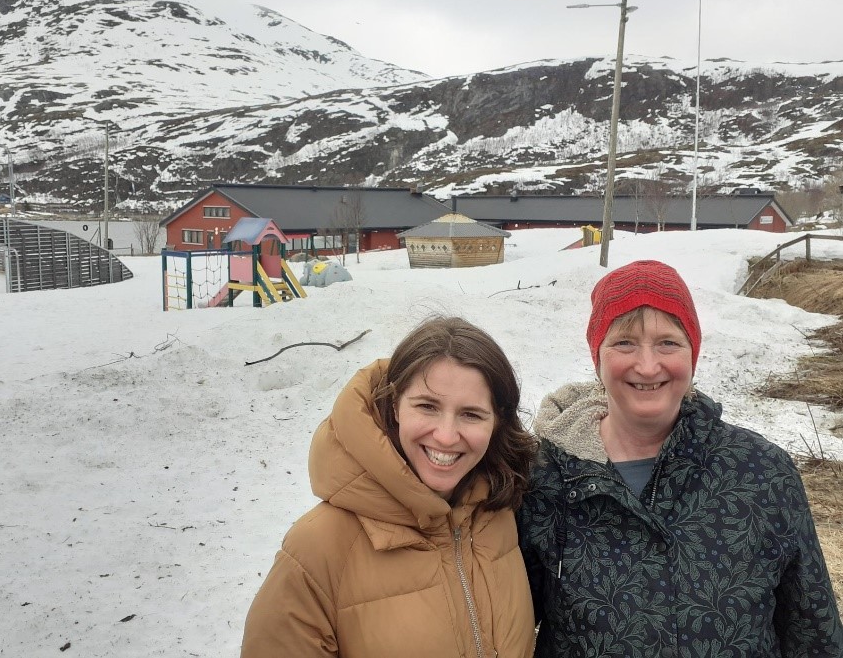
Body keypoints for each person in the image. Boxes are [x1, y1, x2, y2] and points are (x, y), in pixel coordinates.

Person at [519, 259, 843, 657]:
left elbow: (813, 632)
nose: (648, 365)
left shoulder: (763, 472)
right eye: (624, 342)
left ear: (693, 353)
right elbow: (503, 629)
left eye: (668, 342)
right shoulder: (546, 480)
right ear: (597, 357)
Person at [241, 316, 538, 658]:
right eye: (427, 406)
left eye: (471, 414)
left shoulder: (499, 514)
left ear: (497, 420)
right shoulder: (316, 550)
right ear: (395, 404)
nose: (445, 435)